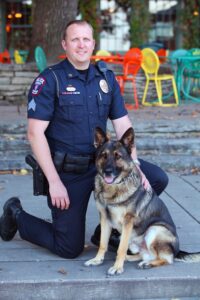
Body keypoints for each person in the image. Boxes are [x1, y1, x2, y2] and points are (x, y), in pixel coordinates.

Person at [0, 20, 168, 258]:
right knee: (68, 248)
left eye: (86, 39)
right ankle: (16, 214)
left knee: (156, 179)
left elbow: (122, 125)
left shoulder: (106, 78)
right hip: (69, 172)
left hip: (104, 165)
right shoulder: (50, 81)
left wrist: (136, 166)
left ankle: (106, 233)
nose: (81, 45)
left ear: (93, 44)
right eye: (75, 39)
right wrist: (54, 181)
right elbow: (34, 133)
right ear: (64, 44)